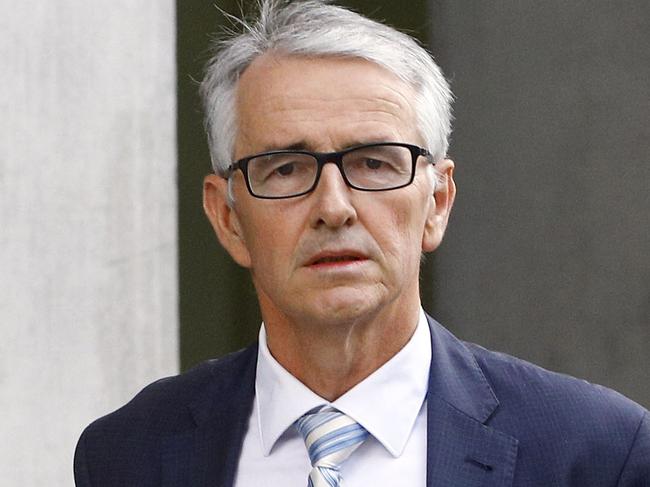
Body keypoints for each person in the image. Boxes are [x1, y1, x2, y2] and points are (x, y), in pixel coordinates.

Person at [74, 1, 649, 486]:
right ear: (227, 217)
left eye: (374, 163)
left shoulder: (597, 452)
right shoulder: (130, 454)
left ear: (437, 203)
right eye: (286, 169)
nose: (333, 207)